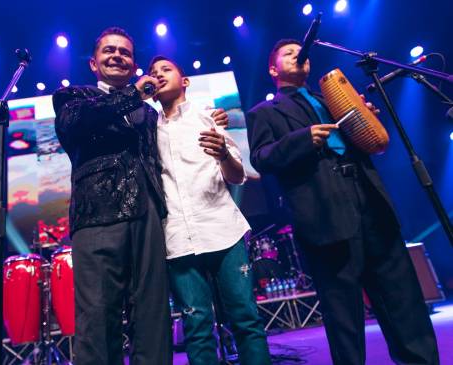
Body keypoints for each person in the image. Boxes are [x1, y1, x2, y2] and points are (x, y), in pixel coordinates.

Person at [246, 39, 439, 365]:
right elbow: (261, 158)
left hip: (370, 201)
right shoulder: (264, 113)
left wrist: (365, 120)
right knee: (344, 316)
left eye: (301, 52)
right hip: (323, 214)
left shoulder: (333, 100)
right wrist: (302, 139)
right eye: (289, 53)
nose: (299, 56)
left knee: (402, 300)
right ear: (272, 68)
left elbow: (370, 142)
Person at [52, 27, 229, 365]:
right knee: (99, 315)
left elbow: (174, 139)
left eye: (126, 53)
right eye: (109, 51)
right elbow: (80, 125)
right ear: (93, 63)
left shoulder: (148, 113)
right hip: (98, 216)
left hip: (149, 214)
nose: (118, 56)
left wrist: (210, 118)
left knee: (153, 315)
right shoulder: (73, 97)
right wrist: (134, 94)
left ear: (133, 63)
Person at [148, 55, 272, 365]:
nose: (158, 75)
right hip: (177, 238)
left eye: (166, 70)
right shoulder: (148, 129)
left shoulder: (208, 117)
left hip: (222, 230)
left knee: (245, 318)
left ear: (185, 81)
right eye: (153, 73)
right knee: (197, 327)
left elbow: (237, 175)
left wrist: (223, 156)